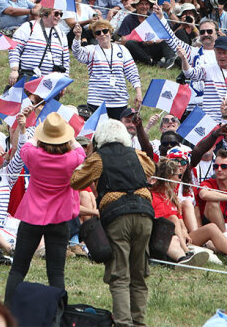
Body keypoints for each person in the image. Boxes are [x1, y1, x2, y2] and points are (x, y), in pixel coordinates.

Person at [70, 118, 154, 326]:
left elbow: (76, 180)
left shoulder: (98, 158)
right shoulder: (137, 155)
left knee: (119, 273)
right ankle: (139, 322)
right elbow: (150, 169)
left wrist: (89, 154)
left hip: (118, 216)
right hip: (144, 214)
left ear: (100, 138)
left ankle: (124, 323)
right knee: (139, 272)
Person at [4, 112, 85, 306]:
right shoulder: (72, 159)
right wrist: (68, 136)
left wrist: (38, 132)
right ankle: (58, 314)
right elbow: (80, 149)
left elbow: (26, 145)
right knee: (56, 273)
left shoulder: (33, 155)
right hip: (59, 219)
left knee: (18, 268)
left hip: (32, 217)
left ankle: (7, 309)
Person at [72, 20, 142, 119]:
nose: (102, 34)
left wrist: (138, 92)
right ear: (95, 36)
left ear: (110, 32)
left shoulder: (123, 50)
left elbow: (132, 72)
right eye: (98, 32)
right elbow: (77, 53)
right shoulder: (91, 50)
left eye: (105, 31)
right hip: (96, 101)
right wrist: (78, 37)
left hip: (119, 102)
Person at [8, 6, 69, 85]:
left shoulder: (61, 33)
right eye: (56, 14)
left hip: (52, 81)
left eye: (61, 14)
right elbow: (14, 48)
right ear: (45, 13)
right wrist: (14, 70)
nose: (59, 17)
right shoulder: (28, 27)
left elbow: (66, 59)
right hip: (29, 77)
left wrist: (64, 80)